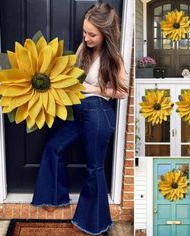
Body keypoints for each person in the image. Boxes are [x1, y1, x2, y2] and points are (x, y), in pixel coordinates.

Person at [31, 3, 128, 235]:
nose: (86, 38)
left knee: (94, 168)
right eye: (84, 32)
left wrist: (94, 89)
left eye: (92, 34)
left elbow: (123, 92)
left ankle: (93, 223)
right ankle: (54, 199)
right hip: (77, 111)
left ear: (105, 33)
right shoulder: (83, 49)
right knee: (54, 147)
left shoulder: (114, 58)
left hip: (99, 113)